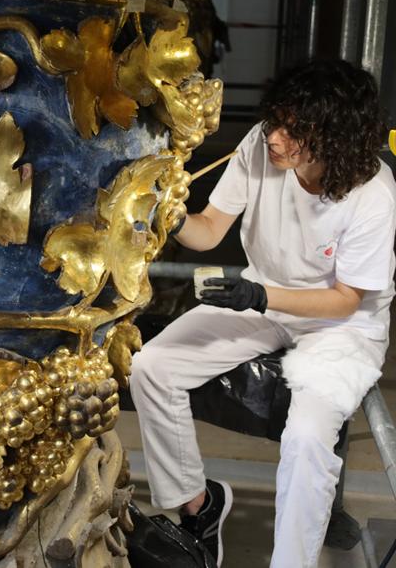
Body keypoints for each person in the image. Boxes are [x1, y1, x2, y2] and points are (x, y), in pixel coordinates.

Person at [130, 59, 396, 568]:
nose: (273, 136)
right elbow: (209, 229)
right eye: (274, 120)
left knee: (307, 437)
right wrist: (171, 212)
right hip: (264, 296)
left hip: (342, 326)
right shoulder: (259, 144)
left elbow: (346, 298)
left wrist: (260, 298)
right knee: (152, 366)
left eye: (292, 130)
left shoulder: (373, 194)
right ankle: (198, 505)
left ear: (335, 137)